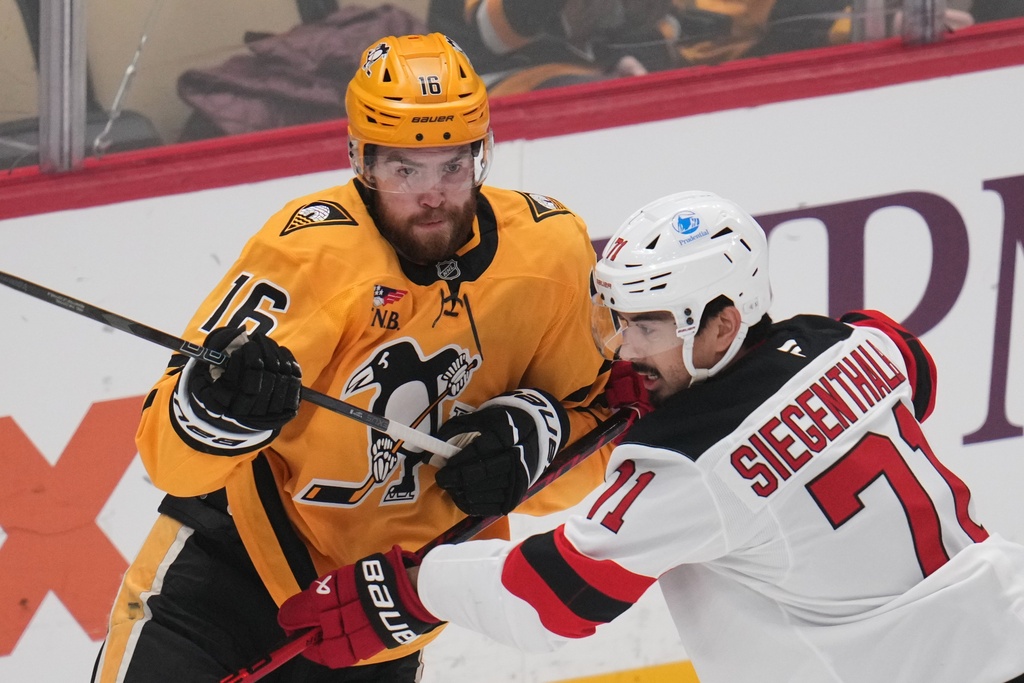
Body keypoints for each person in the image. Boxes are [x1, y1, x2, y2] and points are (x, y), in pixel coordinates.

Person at [277, 191, 1024, 682]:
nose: (626, 350)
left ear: (726, 322)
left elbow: (551, 600)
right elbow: (912, 363)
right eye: (622, 321)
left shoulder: (690, 464)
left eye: (650, 325)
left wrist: (411, 585)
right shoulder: (849, 345)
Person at [91, 32, 635, 683]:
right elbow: (167, 458)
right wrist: (218, 407)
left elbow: (603, 442)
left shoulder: (551, 255)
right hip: (223, 585)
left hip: (380, 628)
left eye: (452, 167)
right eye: (406, 169)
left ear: (481, 157)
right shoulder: (311, 253)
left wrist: (538, 442)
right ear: (362, 161)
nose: (433, 195)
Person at [427, 0, 684, 96]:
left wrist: (623, 58)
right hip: (495, 82)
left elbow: (654, 27)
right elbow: (494, 31)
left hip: (592, 73)